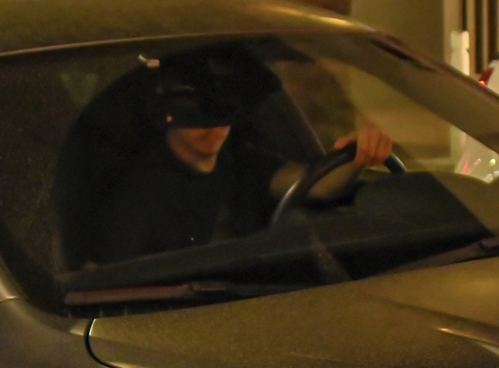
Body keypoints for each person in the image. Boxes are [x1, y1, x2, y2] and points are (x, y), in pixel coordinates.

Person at [67, 51, 394, 267]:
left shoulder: (240, 162)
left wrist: (358, 158)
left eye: (224, 116)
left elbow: (312, 185)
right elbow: (117, 281)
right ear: (171, 115)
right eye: (201, 119)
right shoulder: (139, 194)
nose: (216, 130)